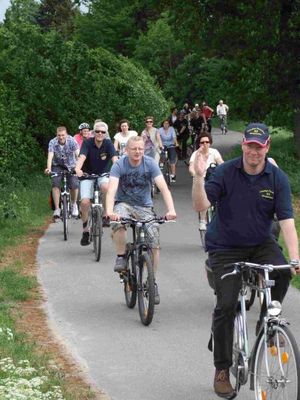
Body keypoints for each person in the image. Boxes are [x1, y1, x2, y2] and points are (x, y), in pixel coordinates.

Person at [191, 122, 300, 398]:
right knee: (227, 304)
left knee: (284, 271)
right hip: (225, 246)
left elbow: (287, 221)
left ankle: (267, 320)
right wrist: (197, 178)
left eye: (259, 146)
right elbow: (201, 206)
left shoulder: (277, 178)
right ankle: (222, 369)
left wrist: (295, 257)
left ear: (267, 147)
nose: (254, 151)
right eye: (250, 145)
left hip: (260, 243)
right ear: (243, 146)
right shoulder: (226, 172)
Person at [106, 136, 176, 304]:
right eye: (134, 149)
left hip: (144, 207)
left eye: (140, 149)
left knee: (154, 244)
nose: (137, 152)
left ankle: (152, 281)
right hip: (124, 204)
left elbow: (163, 188)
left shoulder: (150, 163)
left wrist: (171, 209)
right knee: (118, 222)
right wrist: (109, 211)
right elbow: (111, 189)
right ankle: (121, 256)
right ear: (126, 150)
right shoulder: (119, 165)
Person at [75, 121, 118, 246]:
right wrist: (78, 169)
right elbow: (82, 157)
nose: (100, 134)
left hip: (103, 174)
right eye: (97, 131)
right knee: (84, 202)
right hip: (87, 175)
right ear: (93, 133)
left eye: (103, 132)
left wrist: (120, 169)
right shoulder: (87, 143)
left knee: (106, 187)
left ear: (106, 134)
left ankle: (105, 215)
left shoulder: (108, 143)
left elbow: (115, 159)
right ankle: (85, 230)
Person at [189, 131, 224, 230]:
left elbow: (220, 162)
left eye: (207, 142)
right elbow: (191, 167)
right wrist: (195, 174)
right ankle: (203, 220)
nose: (205, 144)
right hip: (201, 179)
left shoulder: (214, 152)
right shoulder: (196, 154)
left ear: (210, 143)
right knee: (205, 196)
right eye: (202, 142)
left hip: (213, 177)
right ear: (199, 144)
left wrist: (224, 169)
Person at [45, 126, 80, 219]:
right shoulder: (52, 142)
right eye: (59, 135)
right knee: (55, 184)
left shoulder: (72, 141)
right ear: (56, 135)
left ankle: (74, 204)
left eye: (63, 135)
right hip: (57, 165)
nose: (61, 137)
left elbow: (78, 154)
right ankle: (57, 209)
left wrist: (79, 167)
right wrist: (48, 168)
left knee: (74, 184)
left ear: (66, 134)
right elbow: (50, 156)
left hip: (71, 165)